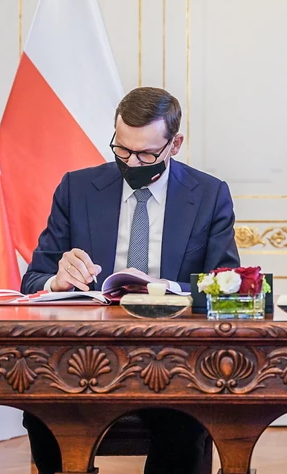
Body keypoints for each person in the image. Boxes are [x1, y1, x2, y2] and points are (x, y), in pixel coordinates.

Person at [21, 87, 240, 474]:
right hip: (86, 354)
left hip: (173, 357)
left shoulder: (209, 194)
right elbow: (32, 281)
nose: (132, 162)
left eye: (146, 154)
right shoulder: (77, 188)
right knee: (42, 413)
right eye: (122, 150)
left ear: (175, 145)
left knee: (184, 424)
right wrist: (58, 281)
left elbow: (225, 285)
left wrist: (168, 289)